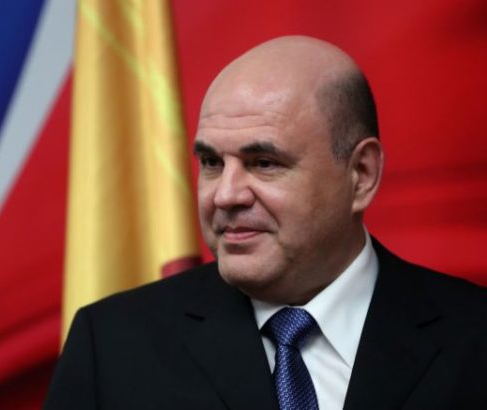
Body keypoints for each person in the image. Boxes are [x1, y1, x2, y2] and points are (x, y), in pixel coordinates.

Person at [45, 36, 487, 409]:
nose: (225, 195)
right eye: (212, 163)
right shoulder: (111, 346)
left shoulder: (474, 337)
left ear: (361, 175)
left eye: (263, 163)